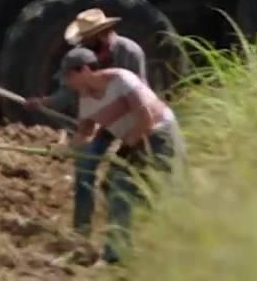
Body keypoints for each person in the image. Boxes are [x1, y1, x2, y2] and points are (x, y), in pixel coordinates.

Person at [24, 7, 149, 235]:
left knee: (118, 180)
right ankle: (81, 232)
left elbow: (140, 98)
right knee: (84, 169)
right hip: (101, 123)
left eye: (87, 37)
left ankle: (128, 229)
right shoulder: (82, 58)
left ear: (102, 33)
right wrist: (44, 102)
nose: (84, 42)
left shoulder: (130, 53)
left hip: (131, 122)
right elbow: (67, 94)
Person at [60, 46, 184, 265]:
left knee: (121, 186)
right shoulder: (86, 99)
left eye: (70, 76)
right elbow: (85, 131)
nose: (68, 82)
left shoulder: (122, 80)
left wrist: (124, 151)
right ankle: (92, 242)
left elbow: (147, 120)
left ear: (85, 70)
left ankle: (115, 255)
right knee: (110, 186)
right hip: (133, 138)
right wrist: (67, 148)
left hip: (159, 134)